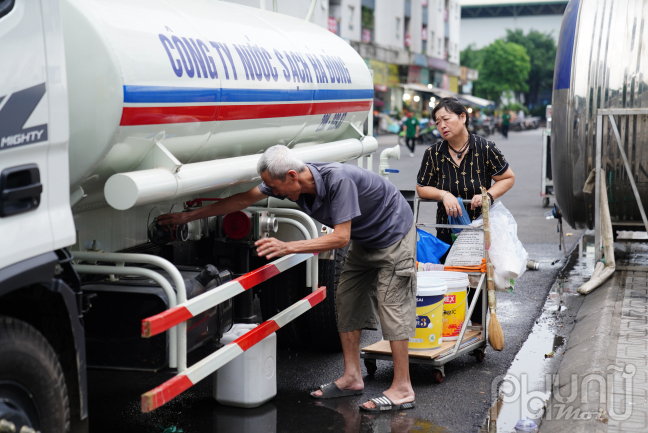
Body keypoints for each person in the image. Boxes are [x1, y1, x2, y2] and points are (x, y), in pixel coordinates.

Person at [157, 145, 417, 413]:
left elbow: (341, 238)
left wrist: (287, 247)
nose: (274, 192)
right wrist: (186, 216)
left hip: (394, 235)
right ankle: (352, 377)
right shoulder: (289, 181)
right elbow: (243, 199)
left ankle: (402, 388)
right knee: (347, 301)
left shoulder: (339, 180)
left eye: (275, 187)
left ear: (292, 176)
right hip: (366, 241)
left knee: (393, 307)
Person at [416, 97, 515, 326]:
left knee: (476, 279)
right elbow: (422, 187)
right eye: (437, 121)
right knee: (449, 277)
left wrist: (488, 195)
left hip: (478, 229)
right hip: (446, 228)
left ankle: (478, 332)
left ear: (462, 117)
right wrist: (443, 194)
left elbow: (507, 178)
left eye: (446, 119)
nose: (442, 125)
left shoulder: (485, 148)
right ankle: (449, 329)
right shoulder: (433, 153)